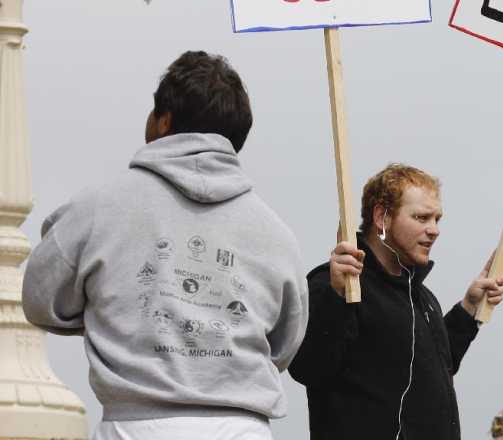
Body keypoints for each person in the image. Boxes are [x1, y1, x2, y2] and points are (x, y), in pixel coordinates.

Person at [21, 51, 309, 439]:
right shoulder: (276, 234)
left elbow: (41, 299)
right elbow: (283, 345)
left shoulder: (97, 209)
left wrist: (109, 316)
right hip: (243, 428)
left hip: (137, 426)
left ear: (164, 120)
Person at [288, 163, 503, 440]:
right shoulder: (338, 284)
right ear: (381, 217)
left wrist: (468, 309)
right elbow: (308, 367)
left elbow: (433, 367)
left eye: (437, 219)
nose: (434, 230)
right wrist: (335, 296)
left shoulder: (423, 298)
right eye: (421, 217)